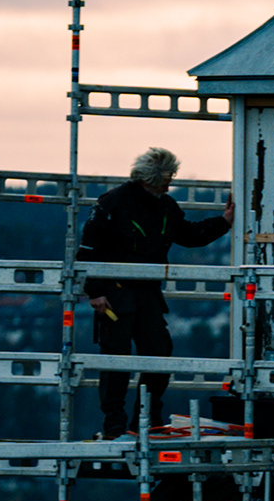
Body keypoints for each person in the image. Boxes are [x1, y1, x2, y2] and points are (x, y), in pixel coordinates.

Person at [78, 147, 225, 416]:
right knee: (116, 358)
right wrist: (96, 291)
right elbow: (89, 249)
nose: (169, 187)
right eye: (166, 180)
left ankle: (147, 418)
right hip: (115, 291)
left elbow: (189, 234)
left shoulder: (164, 206)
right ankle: (115, 426)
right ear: (150, 179)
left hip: (147, 291)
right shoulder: (112, 203)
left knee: (158, 353)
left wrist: (223, 222)